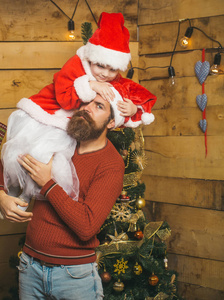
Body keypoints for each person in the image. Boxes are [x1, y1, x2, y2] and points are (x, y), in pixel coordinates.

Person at [1, 11, 157, 213]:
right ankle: (13, 196)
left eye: (112, 70)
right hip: (46, 115)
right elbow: (64, 97)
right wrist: (89, 85)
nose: (105, 74)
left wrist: (135, 109)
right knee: (28, 155)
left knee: (55, 166)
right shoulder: (76, 64)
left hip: (65, 125)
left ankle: (26, 198)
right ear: (92, 57)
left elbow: (132, 92)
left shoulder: (110, 80)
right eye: (100, 66)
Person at [0, 93, 125, 299]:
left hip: (73, 277)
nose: (87, 107)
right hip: (30, 267)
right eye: (87, 101)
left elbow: (87, 226)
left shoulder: (110, 164)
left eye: (99, 106)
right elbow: (11, 157)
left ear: (112, 122)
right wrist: (1, 195)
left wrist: (48, 184)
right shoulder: (58, 137)